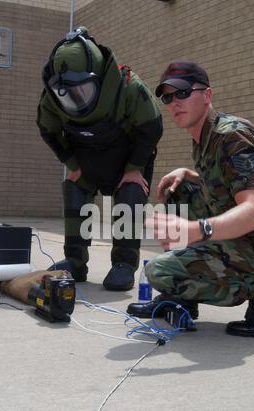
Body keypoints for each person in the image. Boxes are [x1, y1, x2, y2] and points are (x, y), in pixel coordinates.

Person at [127, 59, 254, 336]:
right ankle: (184, 299)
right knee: (180, 189)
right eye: (167, 97)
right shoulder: (205, 139)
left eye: (183, 92)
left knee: (159, 272)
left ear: (207, 95)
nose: (175, 102)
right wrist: (188, 173)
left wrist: (196, 230)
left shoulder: (233, 136)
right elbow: (230, 183)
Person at [36, 27, 163, 290]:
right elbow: (48, 130)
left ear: (99, 78)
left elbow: (152, 128)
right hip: (86, 158)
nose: (74, 99)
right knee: (74, 190)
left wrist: (134, 168)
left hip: (127, 159)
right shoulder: (51, 97)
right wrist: (71, 163)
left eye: (82, 90)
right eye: (67, 93)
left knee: (130, 197)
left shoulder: (128, 87)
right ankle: (75, 261)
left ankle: (124, 265)